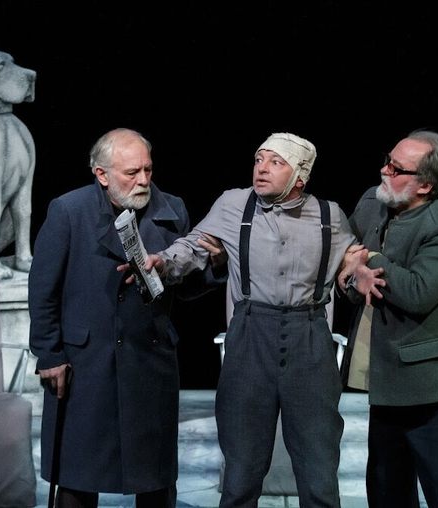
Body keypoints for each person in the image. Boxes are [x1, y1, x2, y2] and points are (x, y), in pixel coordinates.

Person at [139, 132, 384, 508]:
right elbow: (193, 246)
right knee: (241, 471)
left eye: (275, 162)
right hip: (251, 335)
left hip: (309, 338)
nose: (262, 169)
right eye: (258, 160)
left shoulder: (329, 215)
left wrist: (356, 275)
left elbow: (348, 268)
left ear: (300, 176)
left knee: (319, 470)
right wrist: (163, 262)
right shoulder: (233, 205)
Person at [28, 128, 225, 508]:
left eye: (148, 170)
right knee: (78, 474)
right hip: (86, 363)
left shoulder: (172, 210)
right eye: (132, 173)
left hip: (148, 358)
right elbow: (43, 289)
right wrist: (49, 354)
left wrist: (214, 266)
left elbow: (184, 288)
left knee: (154, 476)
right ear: (101, 174)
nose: (144, 180)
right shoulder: (69, 211)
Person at [338, 129, 438, 507]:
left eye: (396, 168)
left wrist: (369, 259)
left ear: (425, 185)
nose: (384, 171)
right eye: (387, 161)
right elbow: (345, 263)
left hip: (437, 386)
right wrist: (351, 277)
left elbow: (418, 292)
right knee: (386, 493)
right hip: (389, 379)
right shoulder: (373, 203)